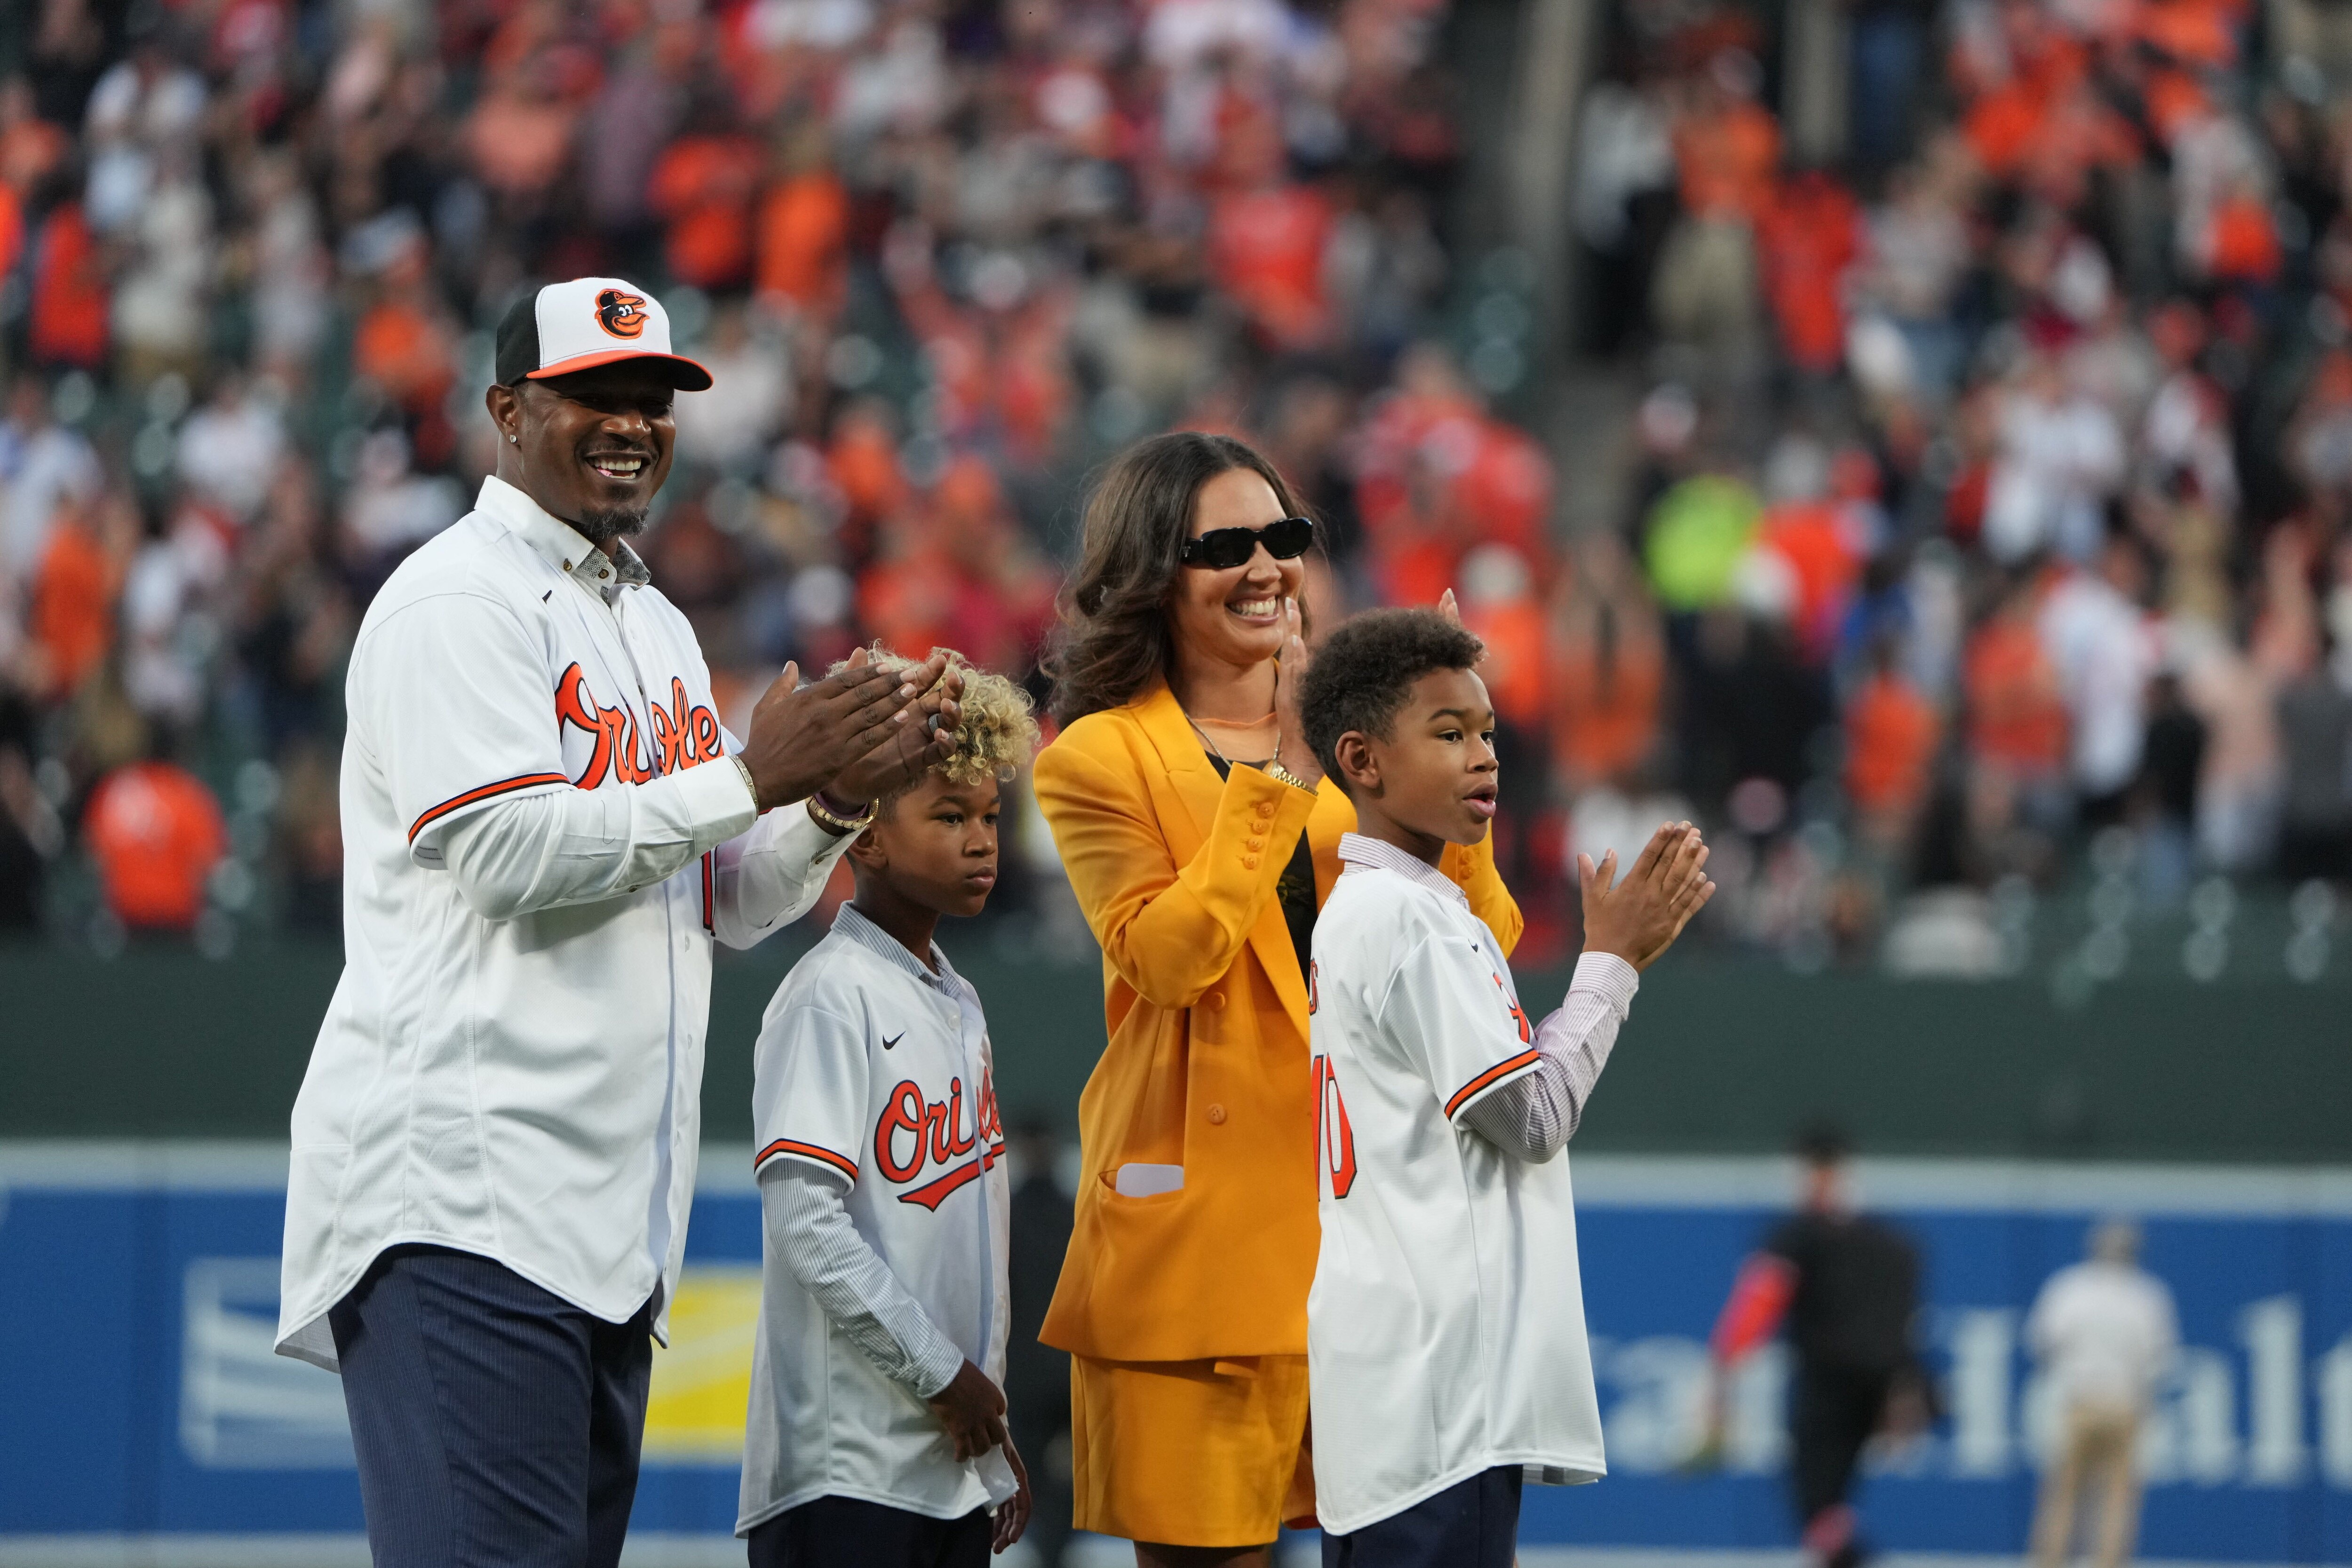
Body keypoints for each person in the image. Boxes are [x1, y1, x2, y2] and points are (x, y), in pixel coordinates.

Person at [274, 277, 962, 1568]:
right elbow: (503, 854)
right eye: (594, 394)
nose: (631, 422)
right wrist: (753, 777)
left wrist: (826, 801)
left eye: (652, 400)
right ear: (506, 409)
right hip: (464, 1199)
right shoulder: (453, 599)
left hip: (602, 1226)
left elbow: (723, 899)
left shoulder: (648, 621)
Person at [1033, 432, 1524, 1565]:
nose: (1266, 567)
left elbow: (1479, 947)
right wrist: (1290, 767)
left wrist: (1440, 754)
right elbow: (1167, 958)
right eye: (1226, 545)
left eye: (1283, 538)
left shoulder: (1366, 743)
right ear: (1156, 570)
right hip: (1198, 1250)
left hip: (1371, 1245)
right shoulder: (1098, 757)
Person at [1298, 607, 1713, 1564]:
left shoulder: (1370, 906)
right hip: (1442, 1394)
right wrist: (1611, 964)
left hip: (1390, 1394)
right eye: (1448, 734)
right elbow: (1531, 1117)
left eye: (1485, 731)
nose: (1484, 755)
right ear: (1361, 759)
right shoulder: (1411, 918)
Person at [738, 649, 1039, 1566]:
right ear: (864, 836)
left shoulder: (958, 999)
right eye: (949, 816)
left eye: (989, 816)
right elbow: (806, 1223)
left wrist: (981, 1421)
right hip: (842, 1474)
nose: (981, 840)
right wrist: (947, 1375)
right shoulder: (829, 991)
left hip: (939, 1460)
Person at [1704, 1126, 1930, 1568]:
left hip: (1828, 1381)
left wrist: (1724, 1363)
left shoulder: (1800, 1235)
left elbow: (1763, 1297)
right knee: (1832, 1499)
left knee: (1813, 1497)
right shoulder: (1894, 1243)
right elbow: (1906, 1327)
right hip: (1878, 1384)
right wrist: (1903, 1392)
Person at [2025, 1220, 2178, 1568]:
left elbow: (2044, 1342)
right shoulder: (2147, 1295)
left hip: (2079, 1401)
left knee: (2062, 1496)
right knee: (2116, 1501)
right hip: (2125, 1404)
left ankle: (2049, 1562)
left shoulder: (2071, 1288)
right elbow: (2162, 1359)